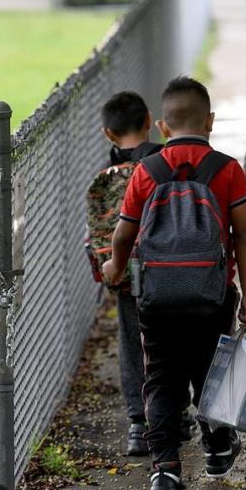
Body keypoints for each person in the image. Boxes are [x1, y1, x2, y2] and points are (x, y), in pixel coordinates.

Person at [102, 77, 246, 490]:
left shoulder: (146, 172)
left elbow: (123, 235)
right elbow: (244, 235)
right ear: (210, 120)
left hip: (155, 297)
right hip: (213, 295)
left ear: (163, 127)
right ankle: (218, 446)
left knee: (161, 377)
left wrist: (116, 267)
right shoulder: (227, 169)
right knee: (211, 370)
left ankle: (166, 472)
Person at [85, 92, 164, 456]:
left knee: (132, 345)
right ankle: (171, 417)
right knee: (171, 345)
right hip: (170, 272)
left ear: (107, 133)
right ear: (149, 120)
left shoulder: (106, 177)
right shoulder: (164, 164)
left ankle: (138, 423)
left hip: (127, 277)